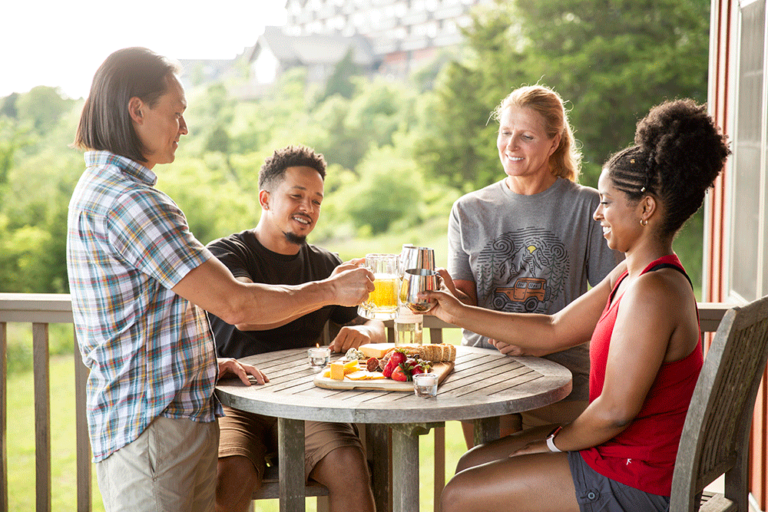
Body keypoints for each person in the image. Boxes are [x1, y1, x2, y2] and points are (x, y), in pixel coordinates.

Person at [67, 47, 374, 512]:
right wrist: (331, 289)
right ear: (136, 110)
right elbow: (238, 306)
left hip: (162, 414)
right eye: (177, 113)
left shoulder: (105, 190)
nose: (183, 128)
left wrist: (205, 364)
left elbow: (148, 316)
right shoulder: (132, 202)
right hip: (155, 425)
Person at [423, 99, 730, 511]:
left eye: (606, 202)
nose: (597, 214)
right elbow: (552, 328)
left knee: (459, 495)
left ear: (645, 209)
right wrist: (457, 312)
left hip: (635, 476)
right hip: (619, 453)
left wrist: (548, 443)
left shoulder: (652, 293)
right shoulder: (630, 275)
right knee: (471, 463)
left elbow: (615, 412)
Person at [444, 84, 622, 446]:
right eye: (505, 133)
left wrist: (540, 344)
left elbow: (613, 305)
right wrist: (439, 289)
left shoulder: (588, 207)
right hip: (484, 372)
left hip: (560, 376)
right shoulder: (468, 210)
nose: (510, 146)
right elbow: (464, 300)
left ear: (554, 142)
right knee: (485, 479)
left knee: (505, 483)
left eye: (525, 136)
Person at [207, 145, 382, 512]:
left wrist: (367, 333)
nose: (308, 208)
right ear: (265, 199)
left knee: (351, 468)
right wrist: (327, 291)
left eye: (317, 200)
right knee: (229, 474)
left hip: (306, 400)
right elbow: (247, 311)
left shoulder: (324, 264)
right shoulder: (227, 255)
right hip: (236, 398)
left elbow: (375, 320)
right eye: (297, 196)